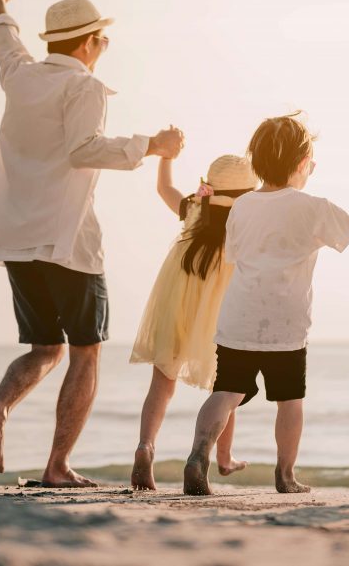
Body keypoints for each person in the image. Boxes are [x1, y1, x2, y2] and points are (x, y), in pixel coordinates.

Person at [0, 0, 185, 487]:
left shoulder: (21, 76)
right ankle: (57, 466)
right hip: (68, 242)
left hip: (17, 237)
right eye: (103, 39)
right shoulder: (83, 86)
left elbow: (5, 41)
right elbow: (84, 149)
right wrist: (154, 144)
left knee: (46, 347)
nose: (105, 47)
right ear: (87, 43)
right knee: (85, 350)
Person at [183, 114, 349, 495]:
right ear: (303, 165)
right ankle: (285, 475)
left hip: (238, 319)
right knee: (289, 400)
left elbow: (234, 256)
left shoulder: (243, 207)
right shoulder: (313, 207)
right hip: (285, 325)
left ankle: (199, 454)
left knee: (227, 392)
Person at [129, 153, 259, 490]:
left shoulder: (194, 209)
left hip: (176, 303)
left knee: (162, 381)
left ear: (209, 185)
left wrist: (166, 158)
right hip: (221, 309)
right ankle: (223, 457)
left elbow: (164, 187)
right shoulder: (249, 221)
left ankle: (145, 445)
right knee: (228, 384)